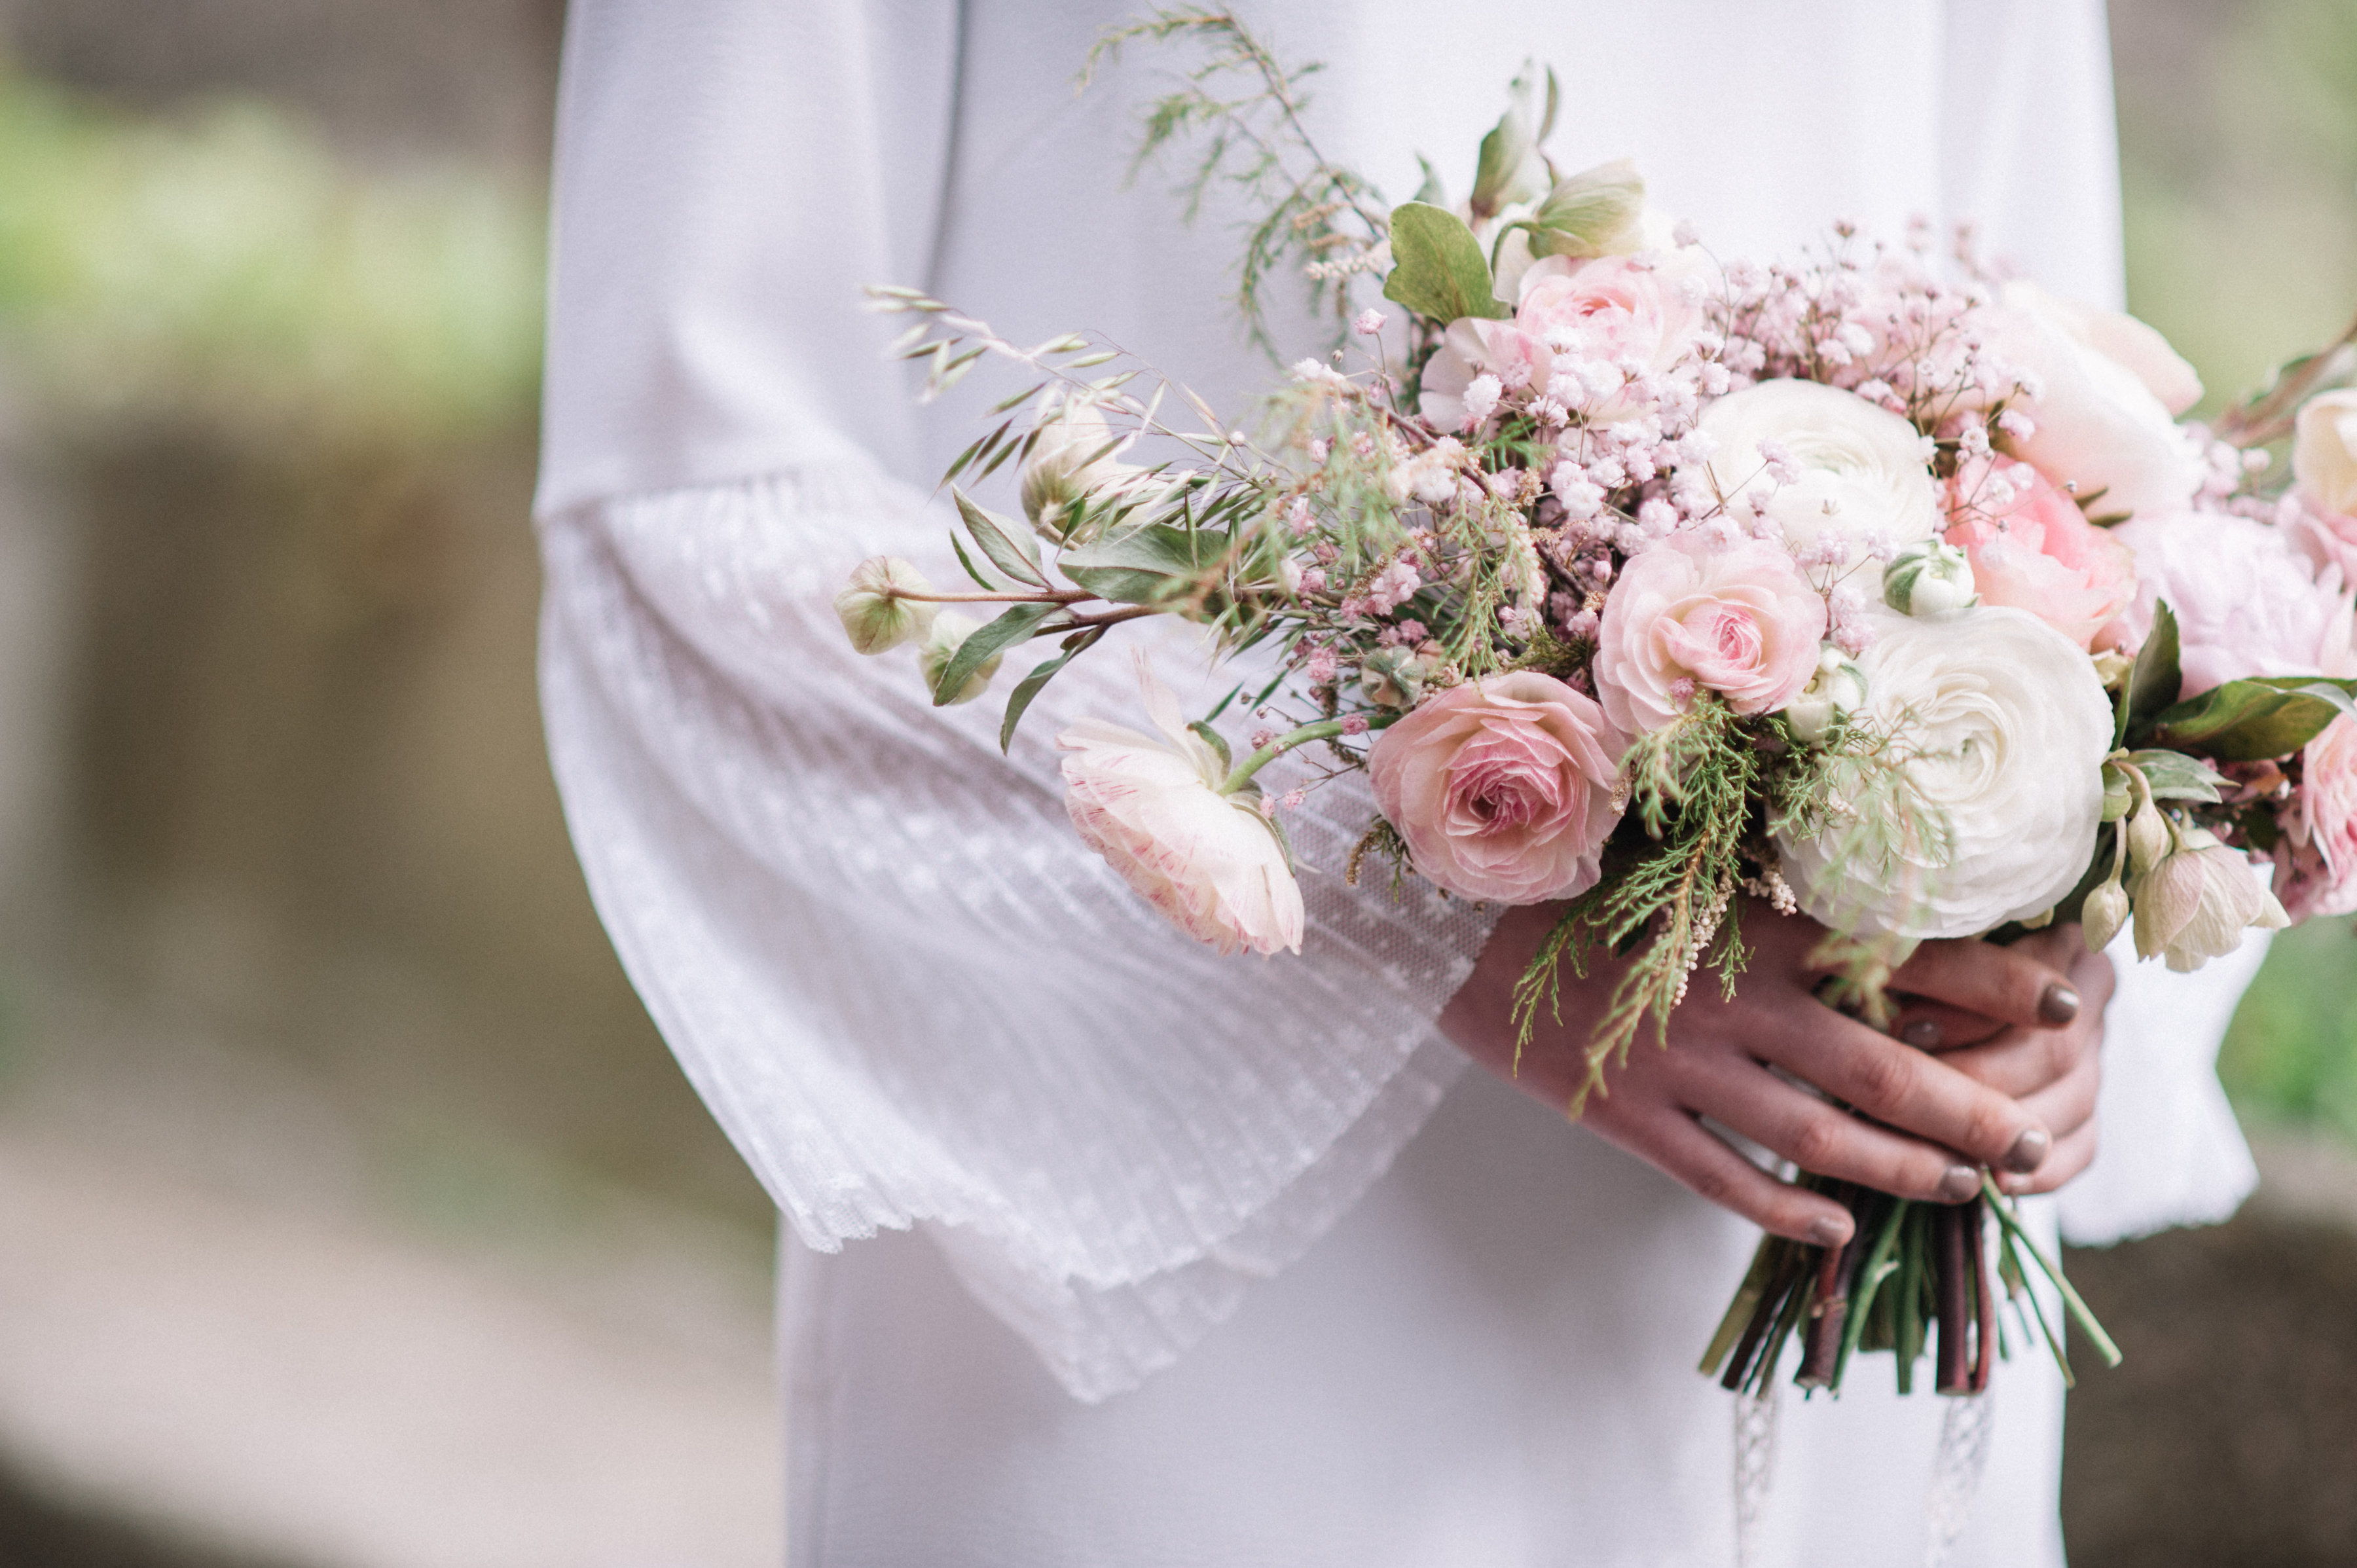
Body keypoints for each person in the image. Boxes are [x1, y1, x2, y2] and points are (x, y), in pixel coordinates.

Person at [533, 3, 2270, 1562]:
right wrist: (1402, 900)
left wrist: (2060, 857)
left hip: (1831, 1233)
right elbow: (700, 502)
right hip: (1201, 1265)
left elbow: (2068, 426)